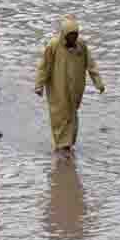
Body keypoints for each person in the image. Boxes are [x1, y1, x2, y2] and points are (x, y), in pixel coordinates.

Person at [34, 14, 105, 158]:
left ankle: (68, 144)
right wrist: (39, 85)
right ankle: (61, 146)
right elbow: (44, 67)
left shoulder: (81, 46)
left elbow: (91, 65)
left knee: (72, 114)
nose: (73, 39)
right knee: (60, 115)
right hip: (58, 87)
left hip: (76, 88)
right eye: (70, 36)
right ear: (64, 34)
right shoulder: (53, 45)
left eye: (75, 35)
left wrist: (98, 82)